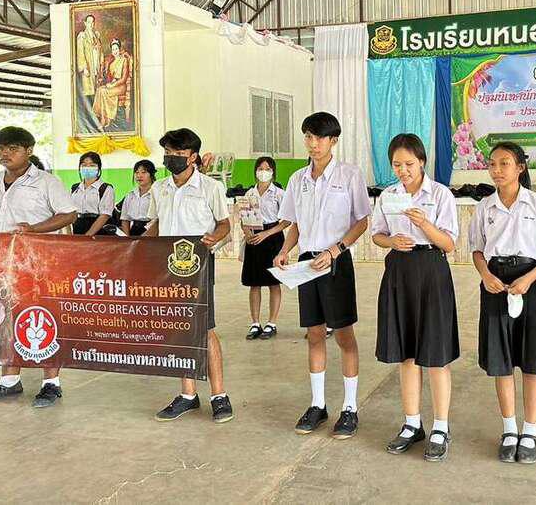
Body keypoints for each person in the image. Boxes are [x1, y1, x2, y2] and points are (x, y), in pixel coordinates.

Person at [274, 112, 371, 439]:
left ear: (333, 141)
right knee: (314, 334)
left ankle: (350, 407)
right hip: (306, 263)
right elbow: (295, 223)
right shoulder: (297, 179)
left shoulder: (349, 175)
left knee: (343, 335)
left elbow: (361, 221)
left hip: (336, 262)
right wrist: (285, 249)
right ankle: (318, 404)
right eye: (308, 137)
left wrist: (335, 250)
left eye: (319, 137)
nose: (313, 143)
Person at [469, 142, 536, 465]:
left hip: (531, 284)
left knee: (533, 360)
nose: (497, 170)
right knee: (502, 360)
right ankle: (509, 429)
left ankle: (530, 430)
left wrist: (530, 278)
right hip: (495, 285)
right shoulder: (485, 207)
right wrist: (486, 275)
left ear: (520, 167)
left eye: (505, 163)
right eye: (492, 164)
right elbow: (478, 250)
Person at [372, 134, 459, 462]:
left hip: (431, 270)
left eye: (409, 164)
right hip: (399, 271)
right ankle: (411, 424)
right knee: (406, 353)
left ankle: (440, 427)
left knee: (435, 354)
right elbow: (377, 234)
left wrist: (425, 224)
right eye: (397, 165)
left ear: (422, 161)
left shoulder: (440, 194)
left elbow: (449, 244)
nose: (403, 170)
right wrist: (391, 241)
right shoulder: (388, 195)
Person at [0, 126, 77, 408]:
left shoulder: (46, 182)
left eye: (12, 148)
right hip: (1, 263)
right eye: (1, 149)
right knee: (6, 318)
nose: (5, 154)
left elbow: (69, 214)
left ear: (28, 151)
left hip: (38, 263)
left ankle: (51, 384)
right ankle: (9, 381)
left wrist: (35, 229)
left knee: (42, 318)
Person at [144, 128, 234, 424]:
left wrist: (214, 237)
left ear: (193, 156)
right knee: (179, 328)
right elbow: (157, 224)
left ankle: (219, 395)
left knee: (205, 329)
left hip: (199, 266)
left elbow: (224, 224)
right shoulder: (160, 188)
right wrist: (135, 247)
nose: (171, 158)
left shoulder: (210, 187)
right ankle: (188, 394)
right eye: (168, 153)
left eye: (178, 154)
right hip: (166, 267)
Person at [242, 156, 289, 340]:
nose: (263, 172)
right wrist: (247, 232)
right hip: (254, 238)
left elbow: (287, 220)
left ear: (273, 172)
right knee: (254, 283)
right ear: (255, 171)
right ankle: (255, 323)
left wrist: (267, 233)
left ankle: (272, 323)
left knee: (273, 282)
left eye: (267, 169)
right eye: (260, 168)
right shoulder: (249, 193)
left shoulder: (279, 193)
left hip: (273, 238)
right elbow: (244, 218)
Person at [71, 152, 115, 236]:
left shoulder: (106, 188)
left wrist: (88, 236)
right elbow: (71, 212)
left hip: (98, 229)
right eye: (84, 165)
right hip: (77, 227)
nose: (87, 168)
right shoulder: (75, 188)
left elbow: (105, 215)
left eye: (92, 165)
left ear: (98, 168)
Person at [120, 159, 155, 237]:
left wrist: (147, 235)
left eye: (143, 172)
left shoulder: (157, 194)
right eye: (137, 172)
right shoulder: (130, 195)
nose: (139, 176)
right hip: (134, 231)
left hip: (152, 231)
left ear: (151, 174)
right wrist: (127, 238)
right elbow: (125, 219)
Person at [75, 14, 103, 102]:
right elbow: (80, 52)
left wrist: (101, 63)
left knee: (96, 90)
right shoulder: (82, 36)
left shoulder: (96, 36)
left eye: (92, 22)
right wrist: (84, 68)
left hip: (96, 65)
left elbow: (100, 51)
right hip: (88, 66)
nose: (91, 24)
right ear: (85, 23)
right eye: (89, 22)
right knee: (88, 92)